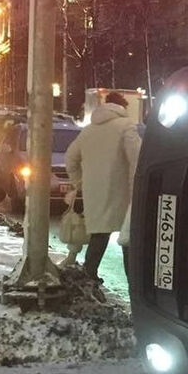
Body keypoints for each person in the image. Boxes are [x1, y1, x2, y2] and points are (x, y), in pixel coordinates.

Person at [65, 92, 141, 281]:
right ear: (122, 107)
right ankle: (133, 284)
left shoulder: (88, 130)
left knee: (99, 236)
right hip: (122, 192)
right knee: (127, 239)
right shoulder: (126, 126)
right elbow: (136, 159)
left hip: (94, 194)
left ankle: (90, 277)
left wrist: (79, 182)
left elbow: (70, 159)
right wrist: (137, 187)